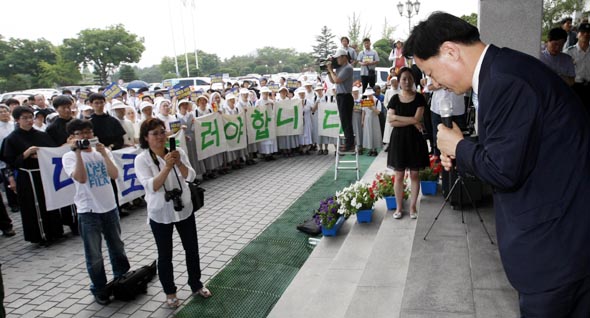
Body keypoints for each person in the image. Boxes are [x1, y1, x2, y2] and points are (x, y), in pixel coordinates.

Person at [406, 12, 590, 316]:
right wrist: (464, 148)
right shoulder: (503, 70)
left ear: (451, 51)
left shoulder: (505, 81)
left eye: (429, 71)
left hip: (555, 251)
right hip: (562, 241)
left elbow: (504, 171)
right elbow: (518, 145)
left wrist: (459, 146)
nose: (432, 82)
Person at [134, 118, 212, 308]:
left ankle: (196, 284)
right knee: (165, 254)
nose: (160, 137)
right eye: (155, 133)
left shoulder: (177, 152)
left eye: (162, 132)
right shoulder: (142, 159)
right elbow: (151, 186)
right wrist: (167, 166)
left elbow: (191, 176)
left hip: (184, 208)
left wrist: (178, 164)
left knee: (192, 249)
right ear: (146, 137)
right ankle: (170, 292)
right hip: (160, 213)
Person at [62, 119, 130, 305]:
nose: (85, 136)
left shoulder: (103, 151)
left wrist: (103, 153)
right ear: (72, 137)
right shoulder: (68, 157)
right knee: (94, 254)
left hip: (110, 207)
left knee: (117, 246)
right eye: (80, 133)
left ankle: (122, 279)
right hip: (88, 211)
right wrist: (77, 152)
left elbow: (114, 175)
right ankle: (99, 288)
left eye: (88, 132)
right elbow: (81, 179)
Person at [2, 106, 61, 245]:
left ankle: (55, 231)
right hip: (27, 176)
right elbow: (9, 161)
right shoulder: (12, 138)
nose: (29, 121)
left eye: (31, 117)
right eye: (25, 118)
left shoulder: (42, 135)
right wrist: (26, 154)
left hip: (44, 173)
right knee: (33, 206)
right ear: (17, 120)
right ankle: (39, 235)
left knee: (48, 202)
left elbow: (52, 151)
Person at [386, 67, 429, 219]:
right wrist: (412, 121)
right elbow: (391, 121)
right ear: (399, 81)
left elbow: (417, 119)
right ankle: (398, 208)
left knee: (415, 174)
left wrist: (401, 118)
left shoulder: (419, 98)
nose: (407, 81)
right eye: (404, 78)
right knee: (398, 175)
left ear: (413, 80)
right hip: (398, 140)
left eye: (410, 78)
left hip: (415, 140)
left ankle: (412, 207)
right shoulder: (394, 99)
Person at [326, 48, 355, 152]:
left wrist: (330, 70)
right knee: (344, 120)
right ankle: (349, 142)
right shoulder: (339, 68)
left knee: (346, 121)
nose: (337, 60)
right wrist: (329, 71)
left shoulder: (348, 68)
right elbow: (332, 81)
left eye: (338, 58)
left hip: (346, 96)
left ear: (344, 57)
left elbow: (337, 80)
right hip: (340, 96)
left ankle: (350, 144)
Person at [566, 23, 590, 110]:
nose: (586, 34)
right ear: (577, 34)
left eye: (588, 32)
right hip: (575, 87)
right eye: (583, 32)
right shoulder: (568, 52)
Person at [360, 87, 382, 156]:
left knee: (374, 133)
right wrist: (362, 120)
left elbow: (378, 112)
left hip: (374, 118)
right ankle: (369, 149)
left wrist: (372, 108)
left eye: (370, 95)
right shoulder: (365, 101)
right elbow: (363, 111)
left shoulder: (377, 101)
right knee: (368, 133)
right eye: (367, 95)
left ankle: (374, 149)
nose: (369, 96)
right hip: (367, 119)